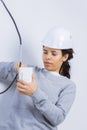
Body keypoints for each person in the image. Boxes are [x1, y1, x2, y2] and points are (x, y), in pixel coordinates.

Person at [0, 27, 76, 130]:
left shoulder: (68, 86)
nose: (47, 57)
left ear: (65, 57)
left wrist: (35, 92)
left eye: (54, 54)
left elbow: (58, 118)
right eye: (45, 52)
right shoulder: (28, 71)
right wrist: (14, 66)